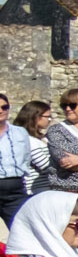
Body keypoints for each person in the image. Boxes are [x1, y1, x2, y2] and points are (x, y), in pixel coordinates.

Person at [0, 94, 32, 222]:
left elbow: (26, 158)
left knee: (21, 228)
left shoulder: (20, 132)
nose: (1, 111)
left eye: (4, 107)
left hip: (15, 192)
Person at [16, 100, 54, 194]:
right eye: (47, 117)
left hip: (47, 187)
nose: (50, 120)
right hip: (35, 190)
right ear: (35, 117)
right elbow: (46, 166)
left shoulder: (42, 138)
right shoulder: (28, 140)